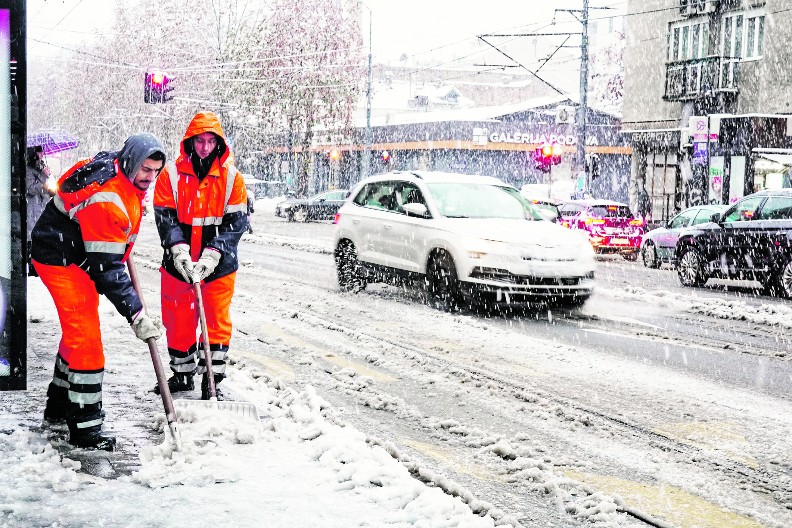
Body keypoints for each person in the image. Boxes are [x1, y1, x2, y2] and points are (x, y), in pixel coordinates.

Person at [31, 133, 166, 451]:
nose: (150, 177)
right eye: (145, 169)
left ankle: (58, 407)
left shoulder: (119, 168)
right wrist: (136, 314)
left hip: (75, 252)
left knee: (78, 334)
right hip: (61, 258)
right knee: (87, 342)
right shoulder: (109, 197)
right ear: (131, 161)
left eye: (155, 171)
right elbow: (108, 271)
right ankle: (85, 429)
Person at [153, 111, 248, 401]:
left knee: (216, 320)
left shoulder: (232, 179)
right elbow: (165, 218)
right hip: (177, 265)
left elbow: (235, 224)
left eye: (210, 141)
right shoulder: (170, 176)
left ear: (218, 144)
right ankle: (182, 376)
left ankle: (212, 380)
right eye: (200, 141)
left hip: (218, 267)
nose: (205, 147)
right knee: (178, 320)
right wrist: (179, 250)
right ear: (190, 141)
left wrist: (213, 254)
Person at [26, 146, 52, 275]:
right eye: (40, 152)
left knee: (40, 238)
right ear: (33, 153)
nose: (42, 154)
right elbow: (30, 189)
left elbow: (43, 187)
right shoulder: (29, 170)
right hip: (33, 208)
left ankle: (38, 265)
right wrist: (43, 176)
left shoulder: (41, 166)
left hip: (42, 207)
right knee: (33, 237)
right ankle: (32, 267)